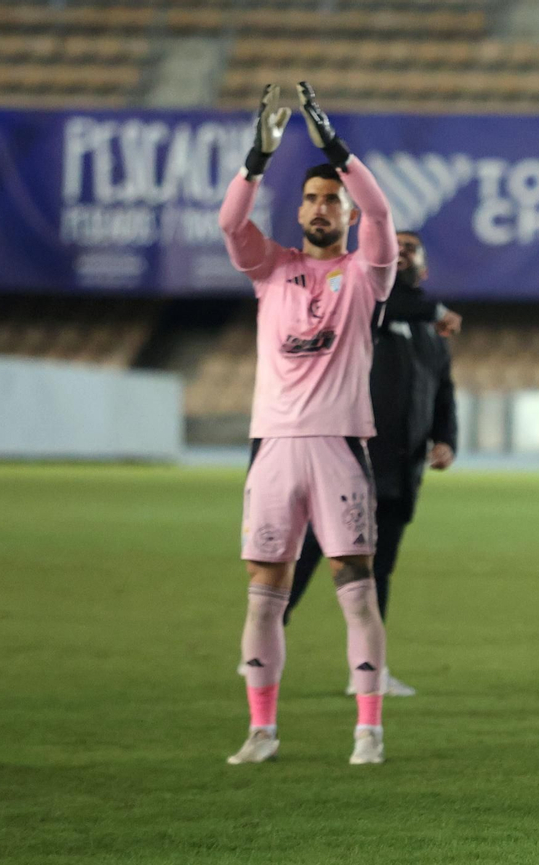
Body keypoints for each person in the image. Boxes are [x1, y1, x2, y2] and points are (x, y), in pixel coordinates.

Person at [220, 82, 398, 766]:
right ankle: (262, 730)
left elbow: (383, 210)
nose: (323, 208)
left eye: (334, 200)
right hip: (272, 451)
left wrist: (333, 146)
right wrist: (257, 157)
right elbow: (231, 227)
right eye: (313, 198)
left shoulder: (365, 275)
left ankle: (368, 731)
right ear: (299, 211)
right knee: (264, 597)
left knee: (356, 592)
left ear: (349, 216)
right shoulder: (271, 271)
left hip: (337, 448)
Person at [280, 230, 459, 699]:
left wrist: (446, 440)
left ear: (425, 267)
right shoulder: (367, 306)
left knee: (378, 571)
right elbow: (390, 302)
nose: (400, 253)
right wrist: (436, 311)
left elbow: (443, 391)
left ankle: (369, 671)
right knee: (317, 549)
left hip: (402, 470)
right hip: (351, 459)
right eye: (394, 246)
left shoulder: (430, 333)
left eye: (411, 249)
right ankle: (266, 633)